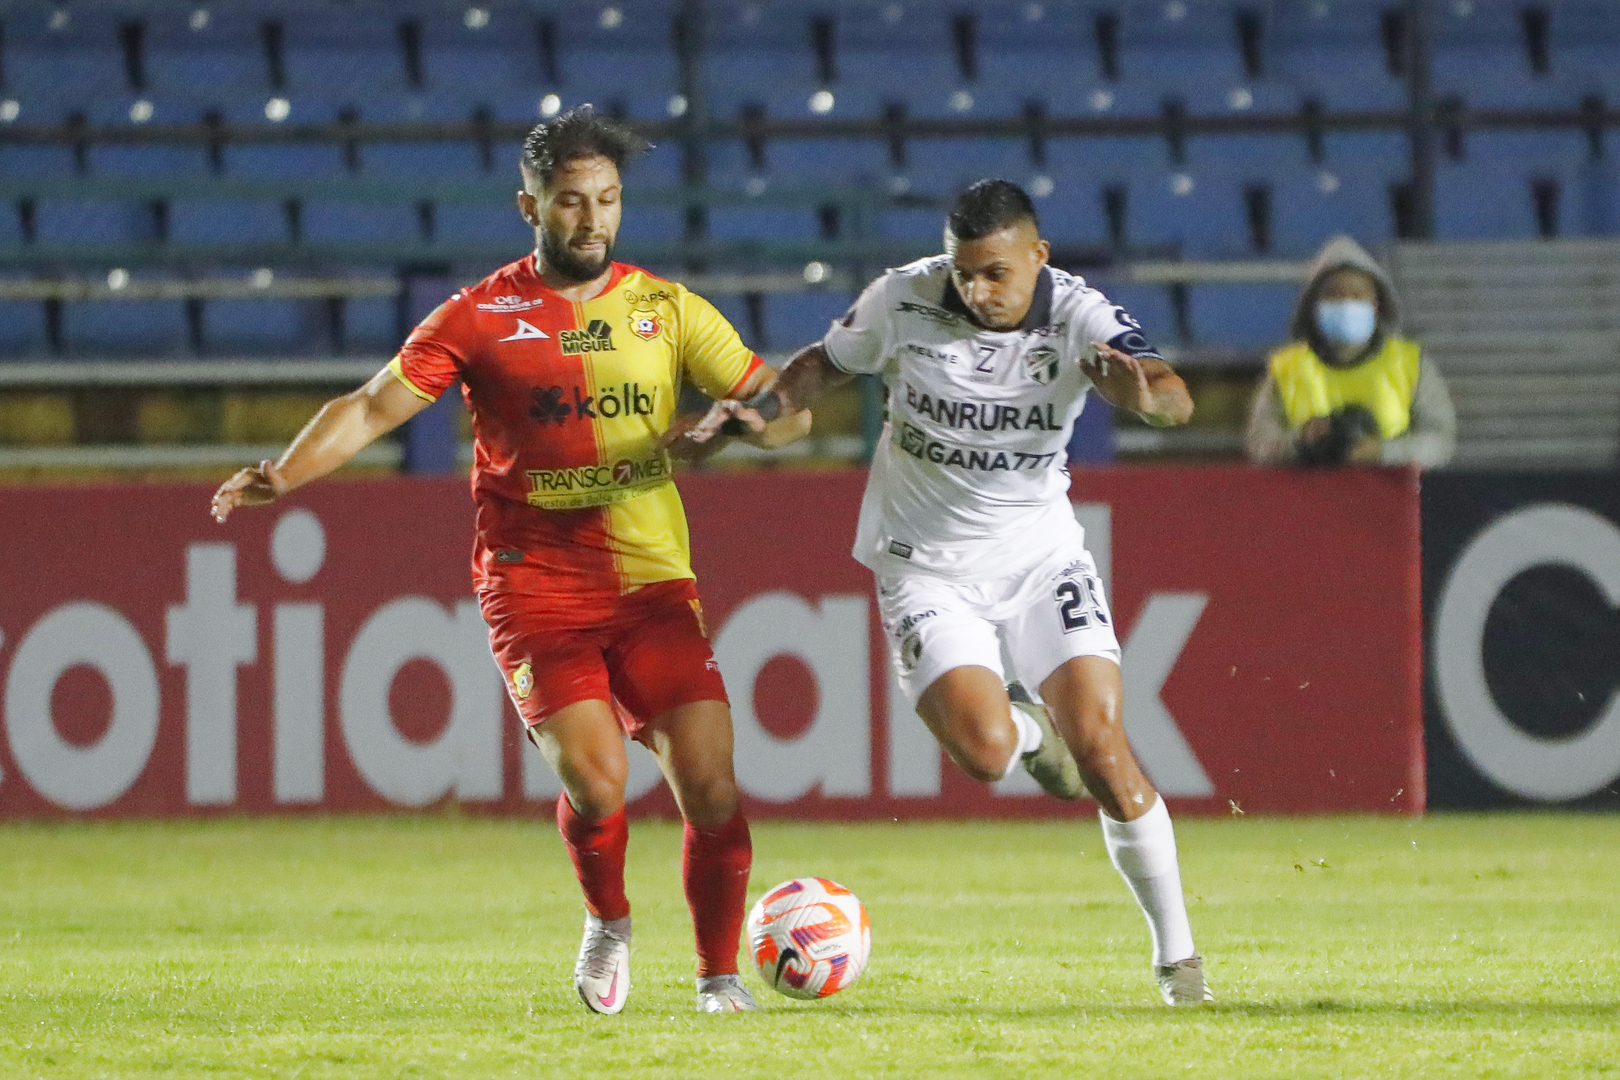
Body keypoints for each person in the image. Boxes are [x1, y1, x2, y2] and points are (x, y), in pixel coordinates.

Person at [211, 106, 807, 1015]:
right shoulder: (482, 315)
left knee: (713, 782)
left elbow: (785, 405)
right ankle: (608, 920)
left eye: (607, 200)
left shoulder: (667, 309)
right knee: (597, 780)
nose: (592, 219)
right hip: (533, 583)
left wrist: (749, 423)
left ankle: (719, 978)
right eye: (571, 201)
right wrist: (284, 474)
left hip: (652, 583)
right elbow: (373, 407)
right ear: (527, 203)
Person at [671, 179, 1212, 1006]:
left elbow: (1171, 393)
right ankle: (1035, 734)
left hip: (1041, 559)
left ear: (1039, 256)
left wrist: (1142, 391)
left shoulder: (1079, 315)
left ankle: (1180, 965)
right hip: (924, 566)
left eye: (996, 272)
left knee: (1106, 750)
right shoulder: (903, 296)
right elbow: (824, 363)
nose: (977, 290)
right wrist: (758, 411)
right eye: (965, 272)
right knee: (989, 752)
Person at [1245, 235, 1456, 468]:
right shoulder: (1286, 369)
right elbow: (1259, 446)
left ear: (1377, 306)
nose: (1346, 303)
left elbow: (1441, 443)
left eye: (1357, 295)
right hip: (1308, 498)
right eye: (1333, 294)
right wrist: (1299, 441)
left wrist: (1382, 451)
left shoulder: (1410, 364)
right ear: (1313, 306)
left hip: (1389, 497)